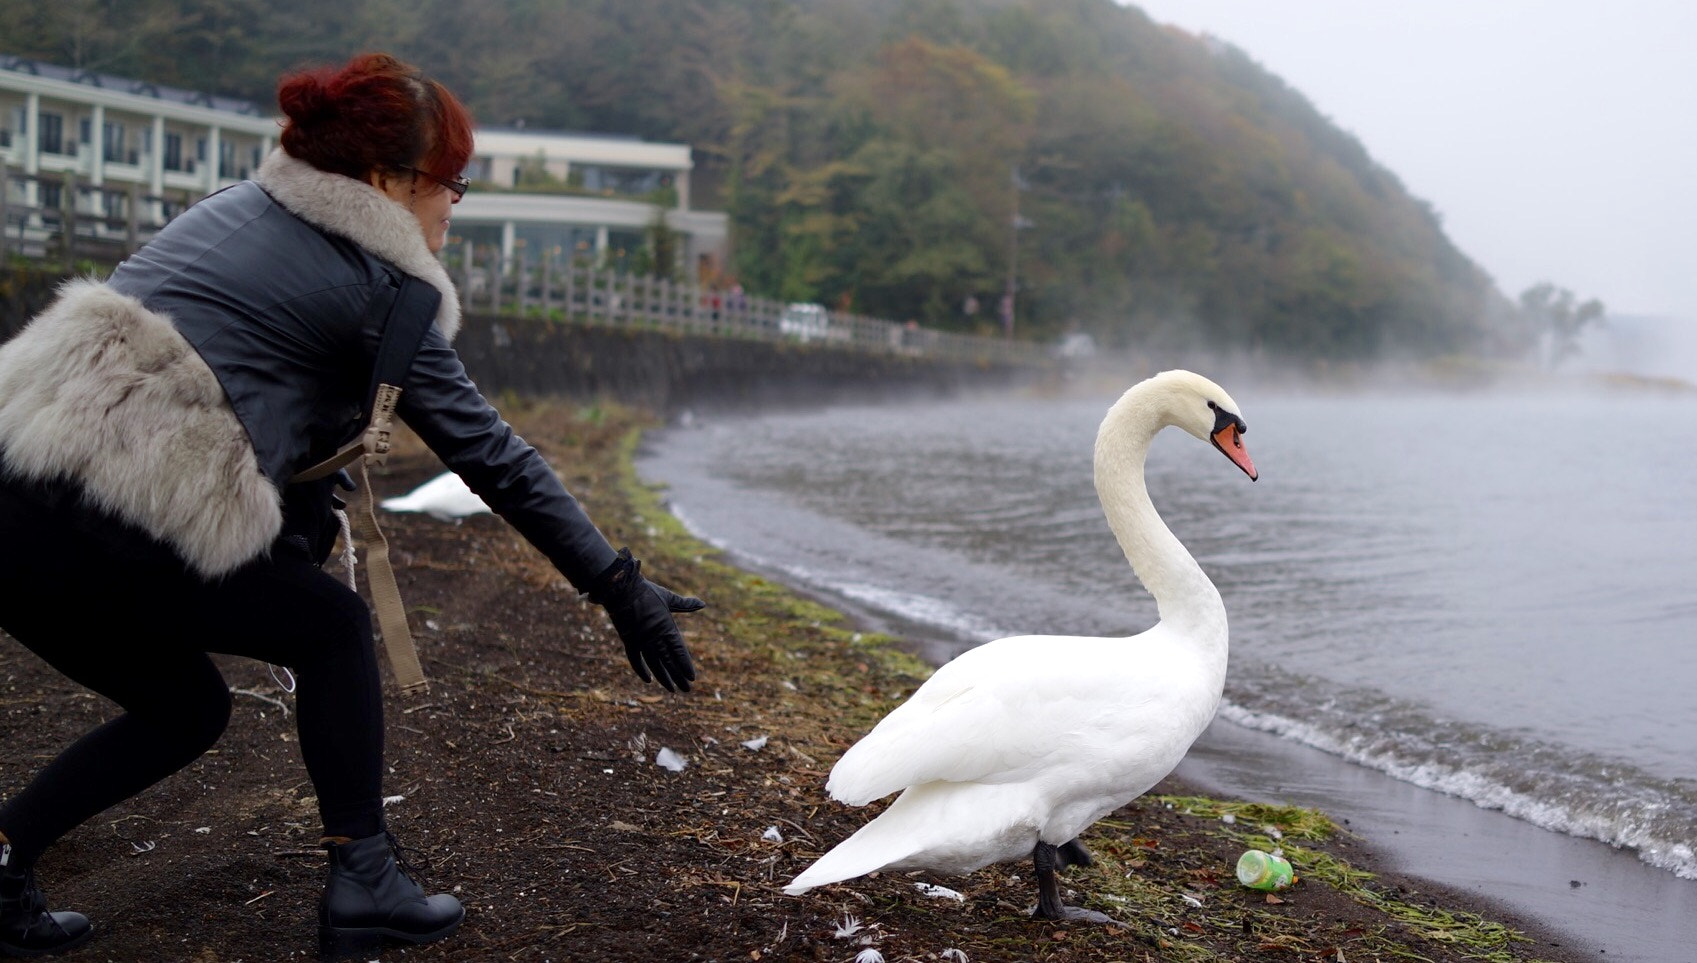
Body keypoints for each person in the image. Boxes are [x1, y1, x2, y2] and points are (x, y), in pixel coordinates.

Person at [0, 53, 703, 958]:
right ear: (388, 181)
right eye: (453, 183)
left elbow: (252, 398)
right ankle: (365, 875)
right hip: (107, 511)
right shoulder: (383, 286)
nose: (456, 204)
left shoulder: (231, 209)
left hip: (16, 494)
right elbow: (491, 453)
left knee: (186, 707)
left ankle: (8, 849)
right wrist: (618, 585)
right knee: (330, 627)